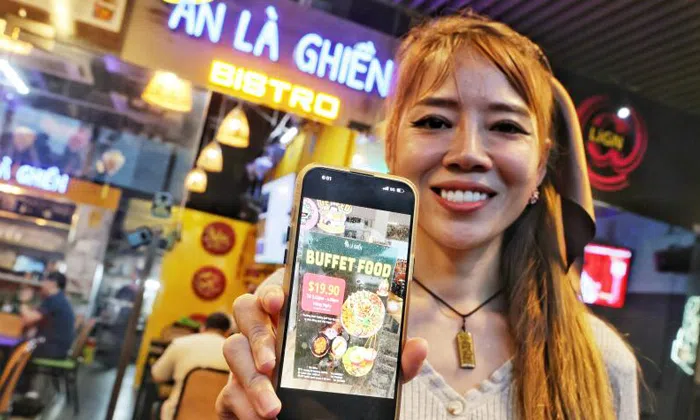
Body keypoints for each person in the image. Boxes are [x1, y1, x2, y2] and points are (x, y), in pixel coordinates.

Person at [216, 12, 639, 420]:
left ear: (541, 164)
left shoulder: (600, 362)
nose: (468, 153)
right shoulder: (305, 310)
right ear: (391, 145)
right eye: (434, 121)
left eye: (506, 127)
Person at [152, 312, 231, 420]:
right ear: (227, 333)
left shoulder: (180, 343)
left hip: (177, 415)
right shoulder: (235, 353)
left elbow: (158, 375)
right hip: (219, 417)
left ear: (203, 328)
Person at [19, 271, 75, 359]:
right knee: (20, 342)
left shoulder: (54, 299)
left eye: (45, 281)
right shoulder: (59, 298)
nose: (42, 284)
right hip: (58, 348)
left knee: (15, 347)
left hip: (53, 349)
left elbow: (29, 318)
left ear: (53, 283)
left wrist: (24, 300)